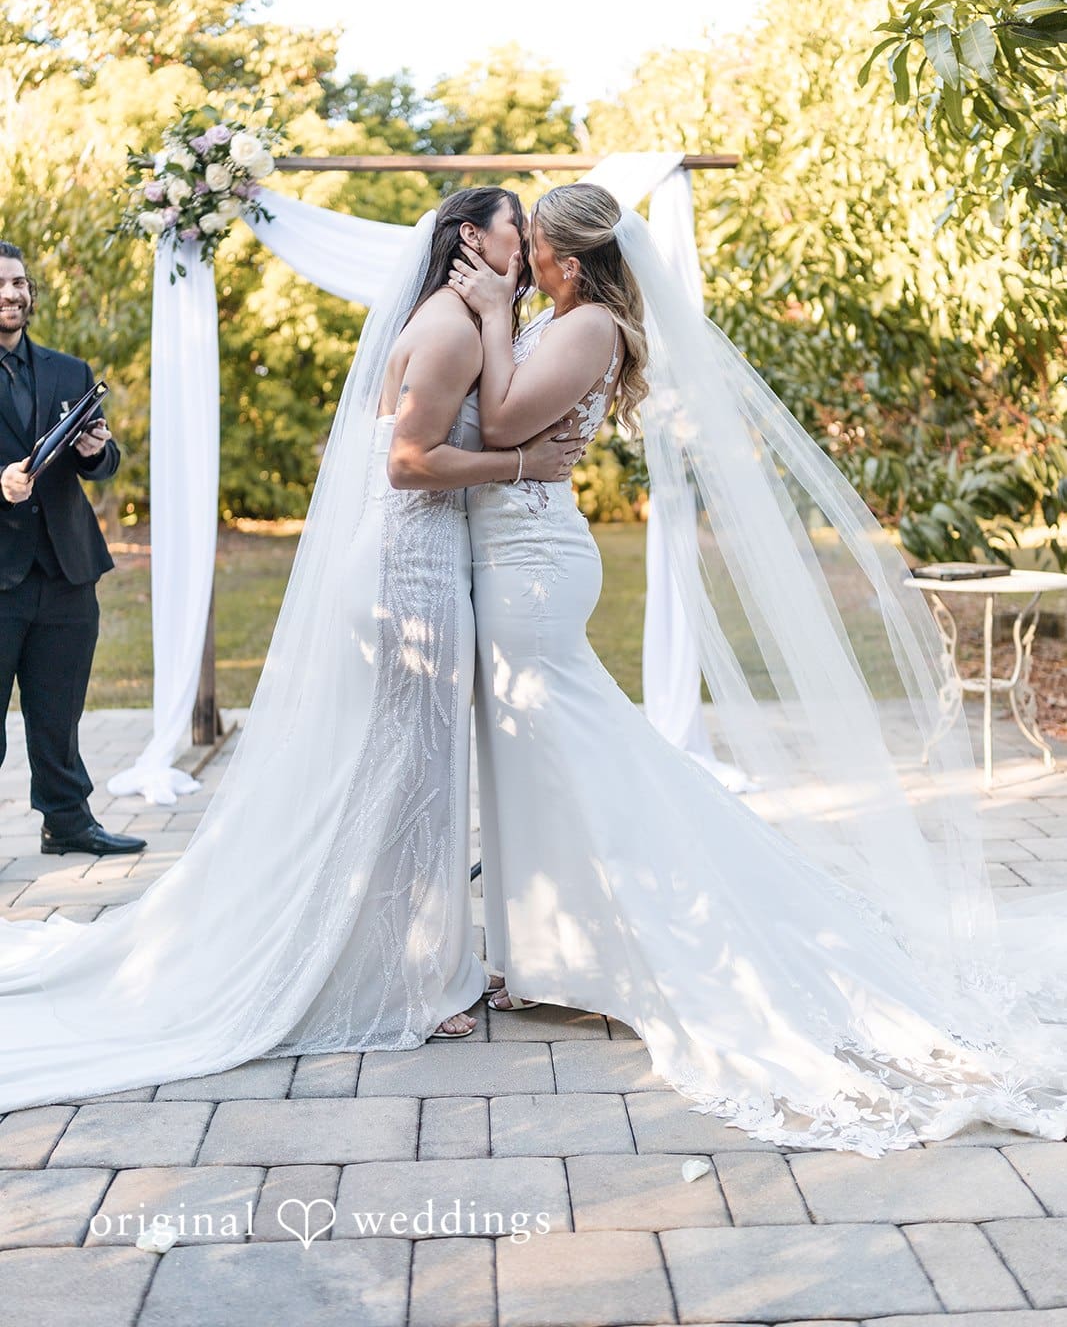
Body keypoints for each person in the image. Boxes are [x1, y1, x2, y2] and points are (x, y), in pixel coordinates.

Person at [448, 182, 1067, 1156]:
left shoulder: (588, 327)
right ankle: (541, 952)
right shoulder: (559, 317)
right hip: (516, 558)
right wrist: (498, 319)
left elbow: (497, 413)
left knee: (580, 756)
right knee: (540, 760)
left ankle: (645, 934)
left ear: (569, 259)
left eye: (532, 245)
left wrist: (489, 317)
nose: (518, 258)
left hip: (530, 572)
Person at [0, 191, 581, 1105]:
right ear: (473, 238)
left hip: (415, 570)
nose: (528, 244)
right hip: (408, 583)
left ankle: (421, 960)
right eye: (515, 228)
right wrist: (521, 466)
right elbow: (407, 461)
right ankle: (410, 982)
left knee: (407, 776)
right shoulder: (449, 329)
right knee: (409, 782)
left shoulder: (457, 319)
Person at [0, 241, 135, 861]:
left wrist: (95, 451)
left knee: (59, 709)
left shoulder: (68, 370)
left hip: (66, 570)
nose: (12, 294)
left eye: (20, 283)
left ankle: (68, 824)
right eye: (2, 285)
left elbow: (102, 464)